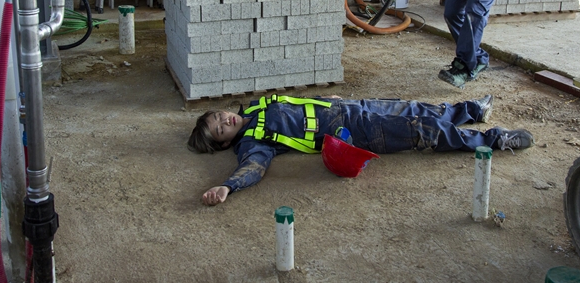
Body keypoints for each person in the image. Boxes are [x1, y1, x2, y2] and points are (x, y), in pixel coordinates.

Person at [188, 94, 533, 206]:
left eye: (219, 116)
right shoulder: (253, 143)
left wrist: (331, 99)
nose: (225, 121)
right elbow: (254, 167)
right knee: (422, 131)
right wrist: (228, 186)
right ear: (225, 143)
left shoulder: (252, 107)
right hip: (359, 132)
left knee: (418, 109)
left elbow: (299, 101)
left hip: (354, 106)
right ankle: (494, 140)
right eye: (220, 129)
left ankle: (470, 110)